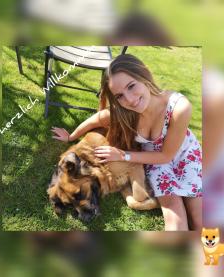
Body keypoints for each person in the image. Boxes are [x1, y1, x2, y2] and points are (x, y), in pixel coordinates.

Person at [51, 54, 202, 231]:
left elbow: (167, 155)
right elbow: (96, 119)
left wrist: (123, 155)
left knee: (199, 219)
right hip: (152, 160)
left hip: (185, 156)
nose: (129, 99)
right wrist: (71, 136)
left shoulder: (179, 107)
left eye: (131, 86)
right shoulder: (124, 112)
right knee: (175, 218)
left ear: (143, 75)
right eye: (120, 96)